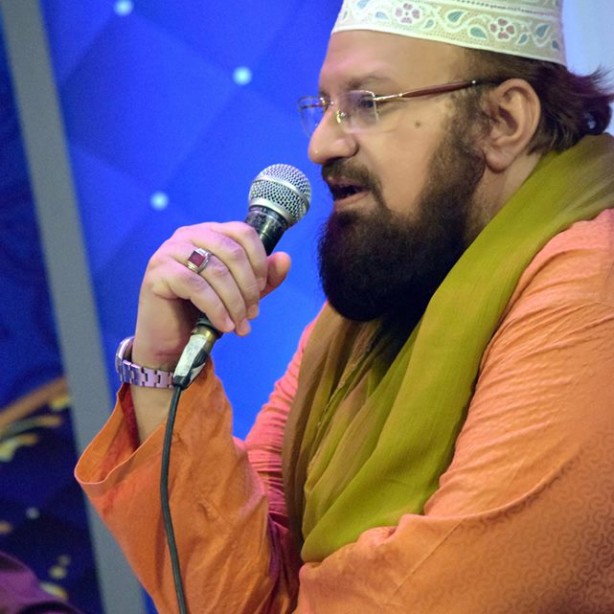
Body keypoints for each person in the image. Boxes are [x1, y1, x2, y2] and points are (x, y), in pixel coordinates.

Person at [75, 0, 614, 611]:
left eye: (368, 103)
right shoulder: (367, 311)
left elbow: (434, 597)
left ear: (502, 121)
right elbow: (237, 593)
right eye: (325, 106)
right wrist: (163, 363)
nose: (321, 144)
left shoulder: (592, 288)